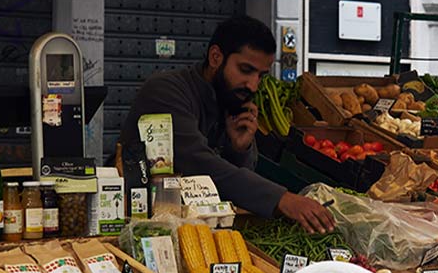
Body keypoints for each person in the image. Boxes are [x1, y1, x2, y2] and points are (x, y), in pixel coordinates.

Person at [120, 15, 332, 233]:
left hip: (196, 229)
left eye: (261, 76)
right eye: (245, 70)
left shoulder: (230, 100)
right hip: (140, 226)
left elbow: (232, 184)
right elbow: (199, 165)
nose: (253, 85)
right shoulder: (166, 92)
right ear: (215, 57)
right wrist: (282, 199)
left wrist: (239, 149)